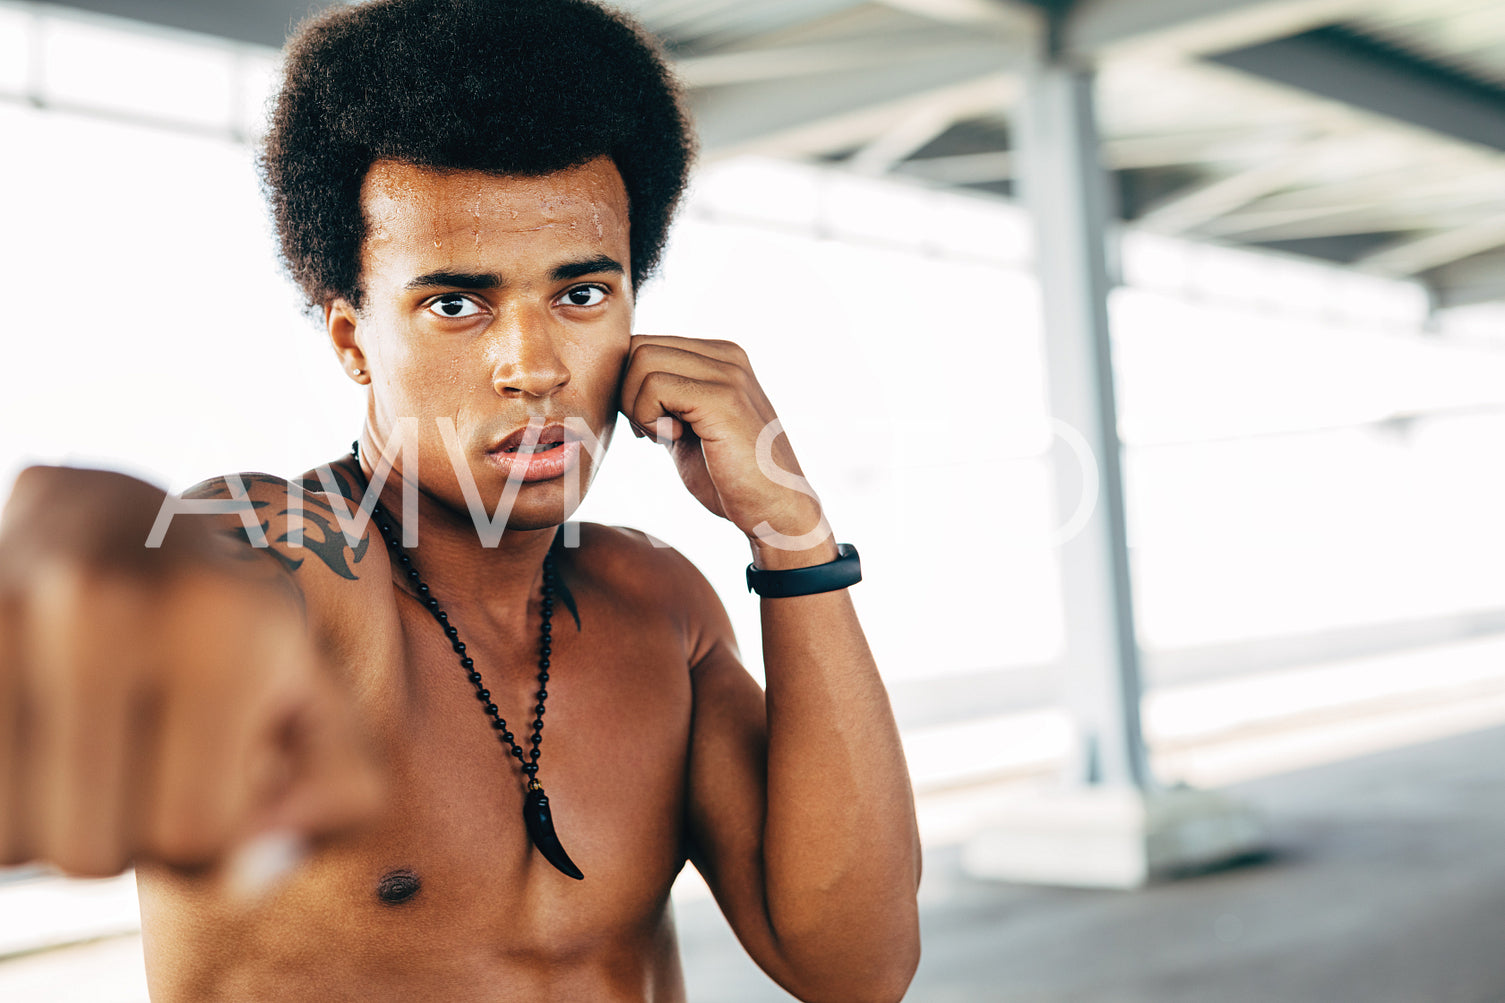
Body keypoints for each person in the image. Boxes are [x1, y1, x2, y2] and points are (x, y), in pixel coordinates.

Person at [0, 0, 922, 999]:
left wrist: (791, 532)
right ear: (352, 341)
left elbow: (855, 966)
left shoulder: (658, 610)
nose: (532, 367)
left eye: (579, 295)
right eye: (454, 304)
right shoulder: (314, 572)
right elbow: (182, 572)